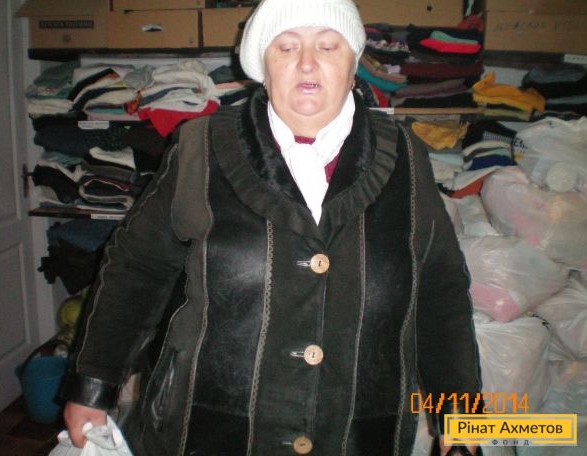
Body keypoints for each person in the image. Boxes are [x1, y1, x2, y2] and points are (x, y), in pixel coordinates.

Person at [62, 0, 482, 455]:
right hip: (209, 431)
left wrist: (462, 419)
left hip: (360, 434)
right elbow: (137, 268)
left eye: (328, 46)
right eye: (286, 47)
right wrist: (92, 387)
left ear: (353, 64)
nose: (307, 62)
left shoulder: (405, 157)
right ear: (263, 66)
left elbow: (440, 289)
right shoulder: (201, 148)